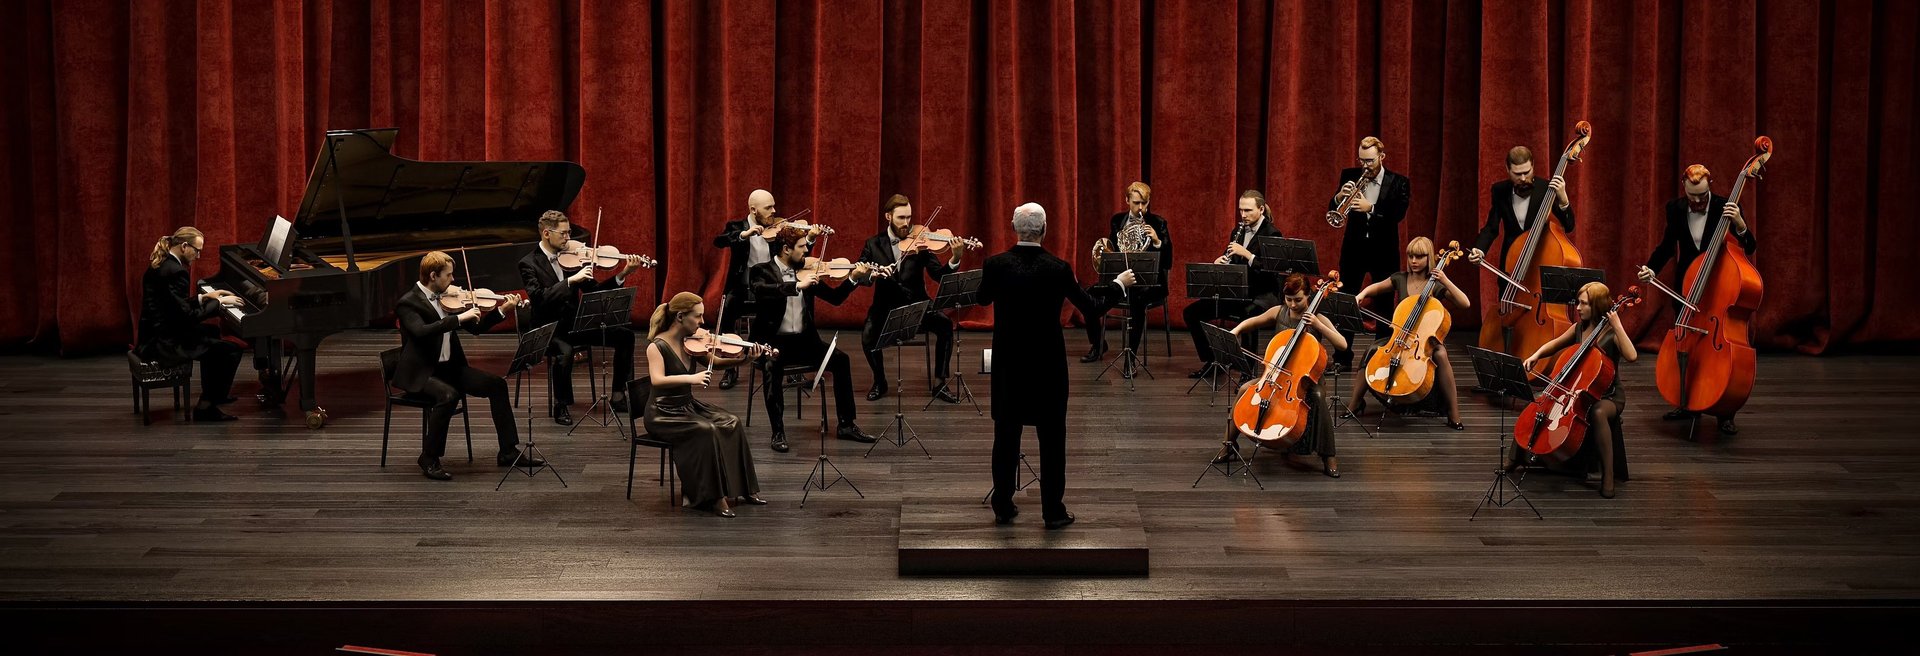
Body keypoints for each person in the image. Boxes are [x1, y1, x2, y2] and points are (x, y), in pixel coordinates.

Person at [978, 202, 1126, 529]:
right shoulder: (1058, 268)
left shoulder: (995, 265)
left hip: (1008, 367)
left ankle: (1002, 505)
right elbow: (1093, 309)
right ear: (1044, 230)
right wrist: (1119, 285)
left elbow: (982, 299)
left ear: (1014, 229)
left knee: (1005, 436)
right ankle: (1053, 512)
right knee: (1052, 440)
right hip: (1047, 369)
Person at [393, 251, 537, 481]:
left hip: (451, 368)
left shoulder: (449, 298)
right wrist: (459, 318)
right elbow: (421, 332)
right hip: (422, 373)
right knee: (449, 396)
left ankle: (508, 451)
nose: (453, 281)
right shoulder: (408, 302)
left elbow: (476, 329)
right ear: (433, 275)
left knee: (497, 385)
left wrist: (502, 311)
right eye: (448, 276)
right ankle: (429, 458)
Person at [1636, 164, 1757, 435]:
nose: (1699, 202)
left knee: (1720, 352)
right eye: (1693, 197)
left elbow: (1749, 246)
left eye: (1703, 196)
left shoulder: (1726, 207)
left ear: (1710, 186)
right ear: (1684, 189)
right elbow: (1668, 245)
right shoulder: (1676, 209)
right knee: (1688, 347)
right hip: (1688, 285)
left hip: (1719, 286)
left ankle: (1725, 412)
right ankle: (1686, 401)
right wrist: (1651, 268)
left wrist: (1739, 223)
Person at [749, 225, 879, 453]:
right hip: (773, 342)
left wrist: (853, 279)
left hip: (804, 341)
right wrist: (797, 285)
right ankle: (778, 431)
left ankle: (846, 425)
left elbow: (835, 299)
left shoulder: (808, 272)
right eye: (801, 248)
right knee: (771, 367)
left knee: (841, 360)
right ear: (786, 249)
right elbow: (762, 291)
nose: (806, 253)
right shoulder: (761, 271)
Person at [643, 291, 767, 518]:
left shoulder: (691, 342)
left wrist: (744, 359)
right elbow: (657, 380)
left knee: (732, 422)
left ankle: (744, 490)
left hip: (686, 406)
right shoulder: (657, 346)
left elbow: (715, 362)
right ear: (680, 317)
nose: (702, 322)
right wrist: (692, 378)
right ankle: (711, 498)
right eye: (697, 317)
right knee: (706, 429)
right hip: (662, 412)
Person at [518, 210, 644, 425]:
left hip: (575, 323)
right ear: (547, 233)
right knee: (564, 353)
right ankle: (561, 405)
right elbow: (539, 298)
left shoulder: (573, 258)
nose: (569, 239)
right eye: (564, 234)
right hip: (548, 328)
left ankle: (618, 395)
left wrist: (623, 274)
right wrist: (569, 282)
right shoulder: (528, 263)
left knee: (625, 336)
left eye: (570, 233)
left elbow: (594, 292)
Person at [1513, 281, 1637, 498]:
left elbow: (1632, 356)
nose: (1578, 308)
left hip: (1608, 395)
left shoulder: (1611, 333)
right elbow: (1555, 344)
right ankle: (1515, 458)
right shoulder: (1579, 328)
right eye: (1578, 303)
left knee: (1598, 413)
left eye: (1583, 304)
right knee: (1539, 402)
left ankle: (1607, 475)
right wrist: (1536, 355)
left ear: (1597, 306)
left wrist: (1617, 325)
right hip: (1577, 390)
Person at [1217, 273, 1348, 478]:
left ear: (1309, 297)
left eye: (1298, 300)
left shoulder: (1318, 318)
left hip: (1307, 380)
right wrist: (1236, 330)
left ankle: (1328, 455)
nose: (1293, 305)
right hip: (1276, 377)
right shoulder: (1279, 312)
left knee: (1319, 397)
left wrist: (1319, 325)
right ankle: (1229, 444)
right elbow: (1253, 321)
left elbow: (1342, 344)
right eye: (1289, 300)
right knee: (1244, 389)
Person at [1343, 237, 1469, 430]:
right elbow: (1374, 287)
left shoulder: (1435, 284)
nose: (1414, 261)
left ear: (1430, 258)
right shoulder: (1400, 278)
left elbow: (1465, 303)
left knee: (1441, 355)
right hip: (1399, 337)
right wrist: (1361, 295)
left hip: (1426, 341)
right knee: (1371, 351)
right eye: (1410, 256)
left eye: (1419, 256)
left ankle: (1454, 413)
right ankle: (1355, 403)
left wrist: (1445, 280)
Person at [859, 194, 966, 403]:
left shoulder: (921, 240)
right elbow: (861, 273)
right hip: (885, 307)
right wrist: (871, 274)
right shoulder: (873, 244)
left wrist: (955, 257)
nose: (907, 223)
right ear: (888, 216)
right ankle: (880, 382)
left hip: (918, 306)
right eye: (901, 218)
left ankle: (939, 383)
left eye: (909, 217)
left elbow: (939, 275)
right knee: (867, 335)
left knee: (944, 325)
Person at [136, 227, 245, 421]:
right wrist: (218, 303)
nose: (199, 256)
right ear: (185, 246)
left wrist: (204, 297)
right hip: (163, 343)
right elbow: (188, 317)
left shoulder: (163, 264)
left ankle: (214, 395)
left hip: (155, 333)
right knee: (231, 350)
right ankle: (206, 408)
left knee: (211, 331)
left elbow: (174, 305)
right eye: (197, 250)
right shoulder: (177, 271)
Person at [1329, 137, 1412, 369]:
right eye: (1362, 160)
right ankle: (1342, 358)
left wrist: (1371, 209)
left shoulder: (1399, 182)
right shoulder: (1349, 175)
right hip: (1354, 250)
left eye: (1370, 160)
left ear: (1382, 157)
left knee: (1385, 304)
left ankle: (1379, 356)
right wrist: (1338, 198)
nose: (1365, 165)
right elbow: (1333, 207)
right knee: (1346, 302)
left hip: (1383, 251)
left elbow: (1397, 215)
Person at [1184, 190, 1284, 377]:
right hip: (1238, 292)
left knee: (1248, 314)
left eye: (1248, 210)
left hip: (1263, 294)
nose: (1243, 215)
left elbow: (1271, 272)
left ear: (1261, 209)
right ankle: (1213, 361)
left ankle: (1248, 369)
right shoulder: (1237, 231)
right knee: (1192, 313)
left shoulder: (1273, 234)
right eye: (1241, 210)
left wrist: (1247, 254)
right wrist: (1221, 262)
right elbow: (1233, 262)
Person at [1082, 181, 1172, 374]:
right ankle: (1098, 344)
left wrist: (1157, 241)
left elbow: (1168, 261)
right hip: (1122, 279)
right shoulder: (1117, 221)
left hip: (1149, 283)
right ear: (1127, 201)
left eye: (1144, 203)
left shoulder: (1158, 223)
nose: (1141, 208)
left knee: (1137, 302)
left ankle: (1130, 358)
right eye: (1136, 203)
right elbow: (1113, 250)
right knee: (1089, 295)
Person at [711, 189, 786, 389]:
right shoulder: (737, 227)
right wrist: (744, 235)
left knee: (787, 308)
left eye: (773, 206)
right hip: (742, 287)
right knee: (726, 311)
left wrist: (810, 237)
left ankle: (779, 360)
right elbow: (719, 240)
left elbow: (798, 251)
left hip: (769, 287)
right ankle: (730, 367)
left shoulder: (778, 228)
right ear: (754, 210)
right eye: (768, 207)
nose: (773, 211)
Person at [1467, 146, 1574, 269]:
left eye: (1526, 172)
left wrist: (1564, 200)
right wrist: (1479, 249)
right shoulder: (1500, 190)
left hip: (1540, 261)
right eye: (1517, 174)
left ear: (1533, 166)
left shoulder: (1547, 188)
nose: (1523, 178)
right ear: (1508, 169)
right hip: (1511, 263)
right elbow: (1491, 227)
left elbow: (1569, 226)